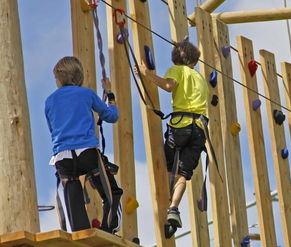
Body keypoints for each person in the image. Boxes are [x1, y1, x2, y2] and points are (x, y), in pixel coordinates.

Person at [135, 40, 208, 229]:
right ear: (194, 60)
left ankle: (165, 203)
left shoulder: (178, 70)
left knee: (168, 166)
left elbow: (169, 86)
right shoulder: (199, 77)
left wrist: (147, 75)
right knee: (183, 173)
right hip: (199, 130)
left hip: (181, 125)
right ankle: (173, 208)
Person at [45, 56, 122, 233]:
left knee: (73, 199)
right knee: (112, 192)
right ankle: (109, 227)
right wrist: (110, 97)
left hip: (62, 156)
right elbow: (111, 116)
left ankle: (81, 233)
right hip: (86, 152)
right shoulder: (86, 94)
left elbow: (52, 129)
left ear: (59, 78)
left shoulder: (49, 101)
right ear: (79, 76)